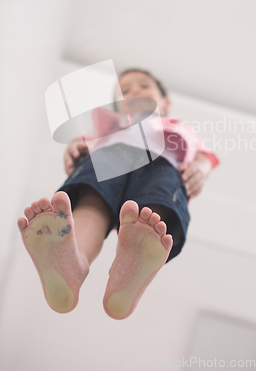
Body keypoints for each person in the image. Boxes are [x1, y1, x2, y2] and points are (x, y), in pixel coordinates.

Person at [17, 69, 219, 319]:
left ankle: (134, 260)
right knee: (93, 201)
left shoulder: (178, 126)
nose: (134, 92)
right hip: (110, 155)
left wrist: (201, 167)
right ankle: (73, 261)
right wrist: (74, 146)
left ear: (165, 103)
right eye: (125, 91)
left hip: (162, 162)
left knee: (151, 212)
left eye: (144, 87)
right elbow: (82, 141)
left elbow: (205, 156)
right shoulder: (108, 126)